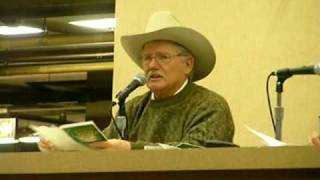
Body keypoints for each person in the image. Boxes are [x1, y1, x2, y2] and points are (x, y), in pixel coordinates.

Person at [38, 11, 234, 151]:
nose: (152, 65)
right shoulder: (131, 107)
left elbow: (196, 154)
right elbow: (104, 145)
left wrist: (131, 149)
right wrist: (64, 146)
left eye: (163, 57)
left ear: (188, 64)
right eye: (147, 58)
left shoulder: (210, 106)